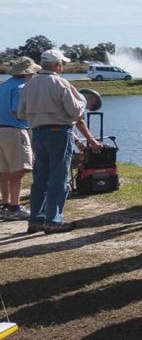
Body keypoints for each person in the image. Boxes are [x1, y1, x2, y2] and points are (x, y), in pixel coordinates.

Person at [17, 49, 102, 233]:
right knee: (58, 177)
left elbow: (21, 113)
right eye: (62, 63)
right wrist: (82, 103)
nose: (62, 66)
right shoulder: (61, 83)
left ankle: (36, 219)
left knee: (40, 177)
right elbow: (75, 112)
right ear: (56, 65)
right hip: (58, 132)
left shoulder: (29, 85)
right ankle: (53, 221)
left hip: (37, 133)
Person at [0, 57, 40, 221]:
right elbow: (17, 112)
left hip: (1, 130)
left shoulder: (3, 86)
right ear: (28, 73)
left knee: (3, 171)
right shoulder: (21, 88)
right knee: (19, 171)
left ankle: (4, 205)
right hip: (15, 130)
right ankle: (15, 208)